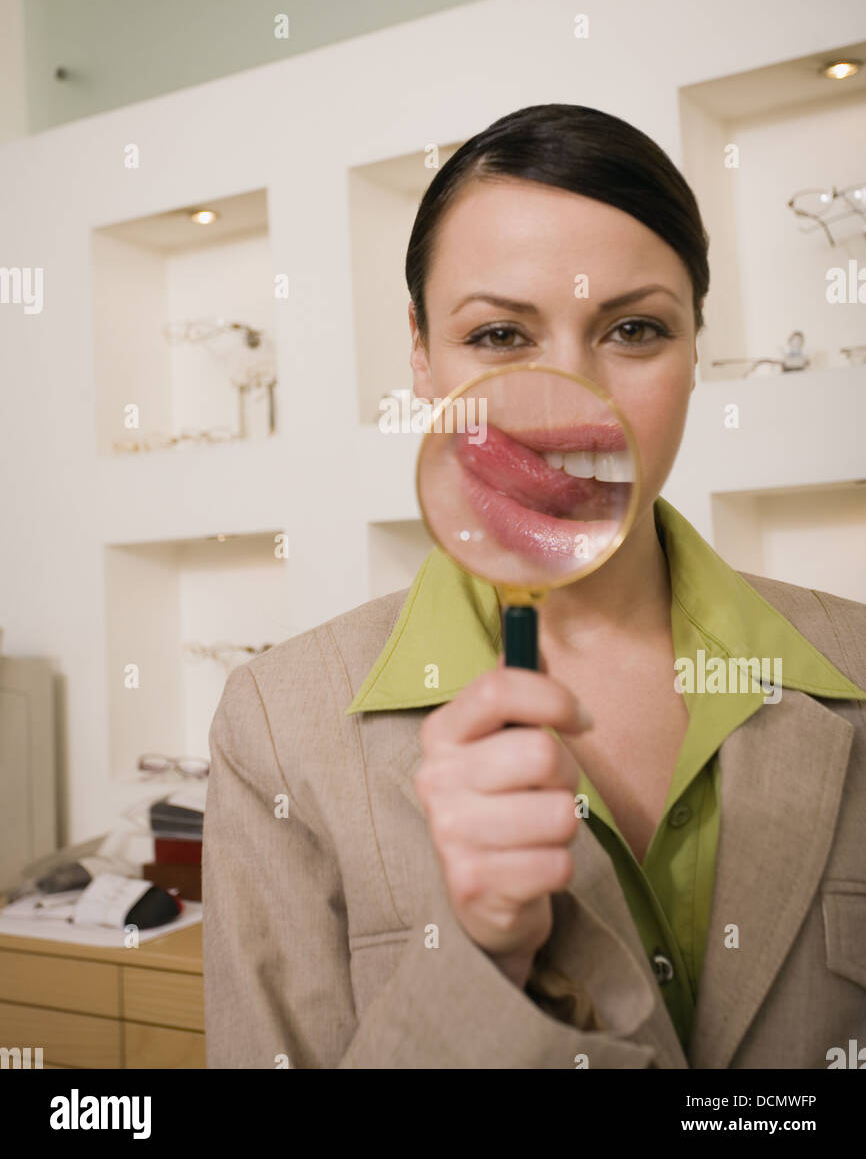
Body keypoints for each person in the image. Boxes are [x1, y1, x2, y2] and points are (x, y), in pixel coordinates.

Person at [202, 104, 866, 1069]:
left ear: (696, 355)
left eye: (635, 329)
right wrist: (478, 962)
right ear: (423, 361)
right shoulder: (275, 727)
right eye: (502, 336)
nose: (568, 406)